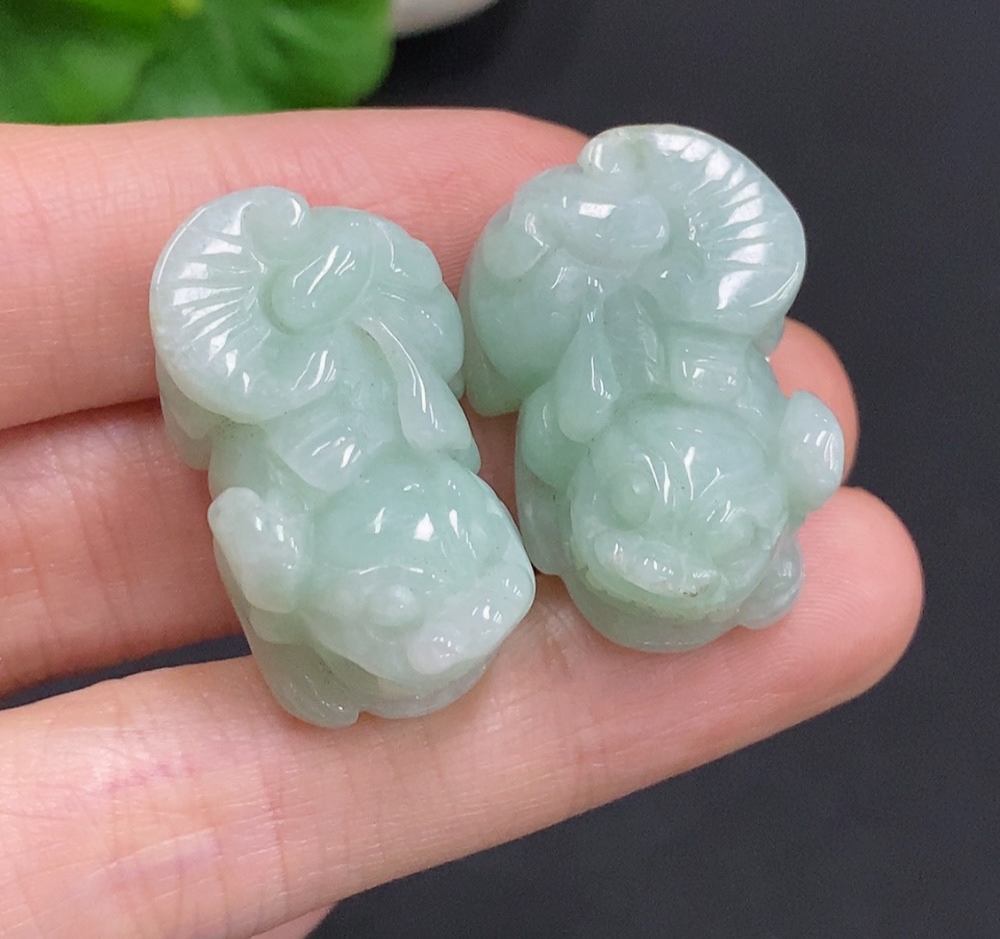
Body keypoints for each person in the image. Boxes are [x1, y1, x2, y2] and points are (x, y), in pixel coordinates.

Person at [0, 109, 922, 939]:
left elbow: (614, 449)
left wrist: (733, 519)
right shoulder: (290, 492)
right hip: (378, 488)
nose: (467, 631)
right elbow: (272, 553)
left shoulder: (605, 402)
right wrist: (292, 609)